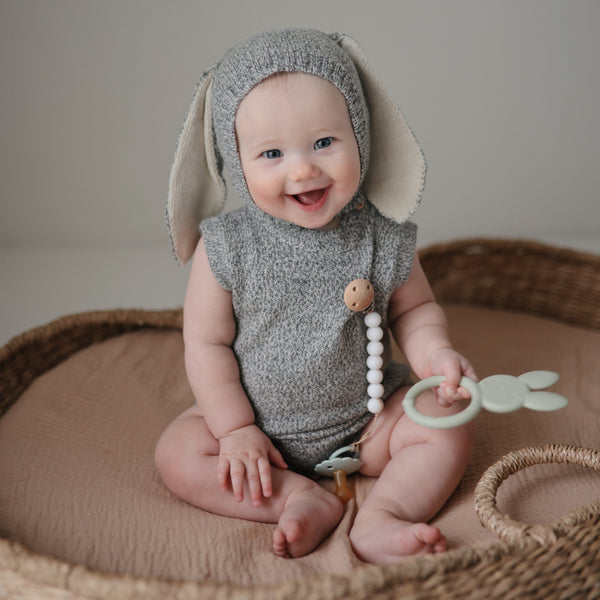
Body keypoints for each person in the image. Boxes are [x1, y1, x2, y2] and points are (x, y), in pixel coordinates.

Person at [156, 29, 476, 564]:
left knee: (448, 426)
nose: (303, 169)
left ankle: (383, 516)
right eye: (272, 153)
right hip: (261, 434)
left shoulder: (383, 235)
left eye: (324, 142)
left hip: (370, 424)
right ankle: (296, 497)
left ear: (360, 136)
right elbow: (205, 344)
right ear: (236, 161)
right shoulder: (227, 248)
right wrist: (234, 430)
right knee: (178, 453)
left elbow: (416, 309)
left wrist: (435, 357)